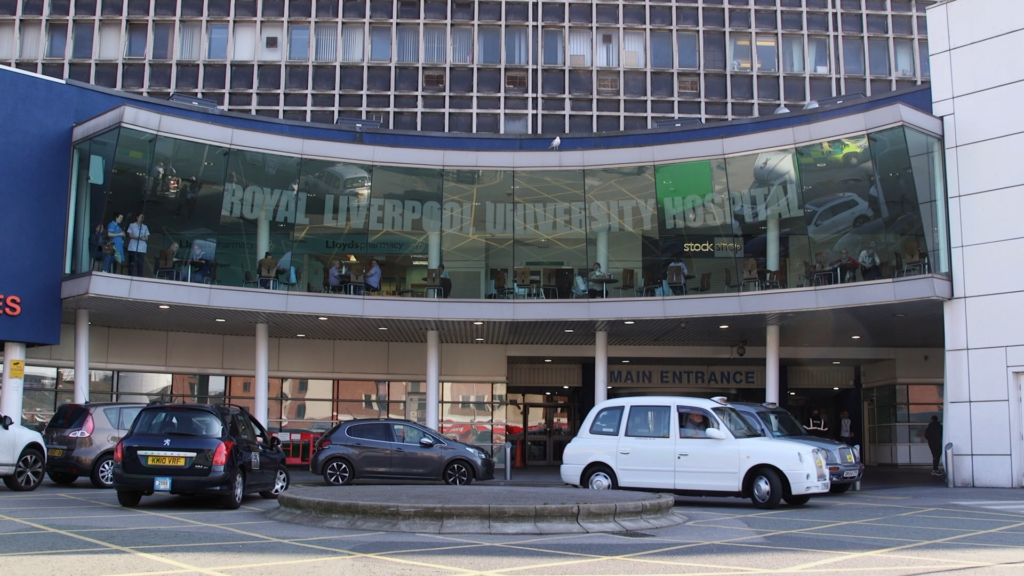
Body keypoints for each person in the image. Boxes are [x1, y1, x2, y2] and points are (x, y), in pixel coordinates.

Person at [126, 213, 150, 277]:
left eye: (143, 217)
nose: (142, 218)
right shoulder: (132, 225)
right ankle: (130, 276)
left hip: (141, 248)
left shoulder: (145, 227)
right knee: (132, 263)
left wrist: (142, 238)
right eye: (141, 217)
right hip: (133, 247)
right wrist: (136, 237)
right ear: (137, 217)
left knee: (140, 264)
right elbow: (130, 235)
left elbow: (147, 238)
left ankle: (140, 277)